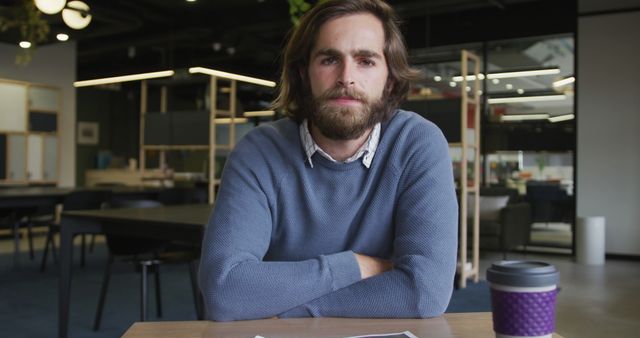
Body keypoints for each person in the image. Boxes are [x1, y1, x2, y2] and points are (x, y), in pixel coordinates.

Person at [199, 0, 458, 321]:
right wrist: (355, 266)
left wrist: (285, 307)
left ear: (389, 80)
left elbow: (424, 293)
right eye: (329, 59)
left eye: (366, 60)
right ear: (304, 74)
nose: (346, 77)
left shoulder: (418, 143)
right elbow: (224, 293)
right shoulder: (259, 151)